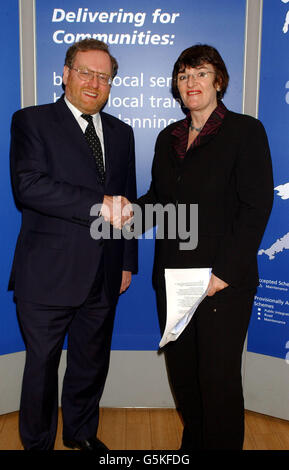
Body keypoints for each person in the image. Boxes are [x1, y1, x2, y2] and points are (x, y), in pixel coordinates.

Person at [137, 44, 273, 450]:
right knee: (184, 378)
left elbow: (255, 206)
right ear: (176, 87)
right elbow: (160, 201)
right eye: (183, 75)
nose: (191, 82)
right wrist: (127, 211)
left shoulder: (245, 132)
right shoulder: (169, 138)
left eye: (200, 73)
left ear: (218, 80)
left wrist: (223, 274)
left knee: (218, 381)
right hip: (174, 281)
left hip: (221, 284)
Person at [9, 38, 137, 451]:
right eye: (85, 72)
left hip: (104, 272)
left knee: (90, 364)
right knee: (42, 368)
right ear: (65, 74)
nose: (94, 82)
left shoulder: (122, 133)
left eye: (104, 76)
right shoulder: (31, 121)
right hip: (47, 273)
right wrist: (98, 205)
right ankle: (38, 443)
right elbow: (28, 186)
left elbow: (127, 201)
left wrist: (126, 262)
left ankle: (81, 434)